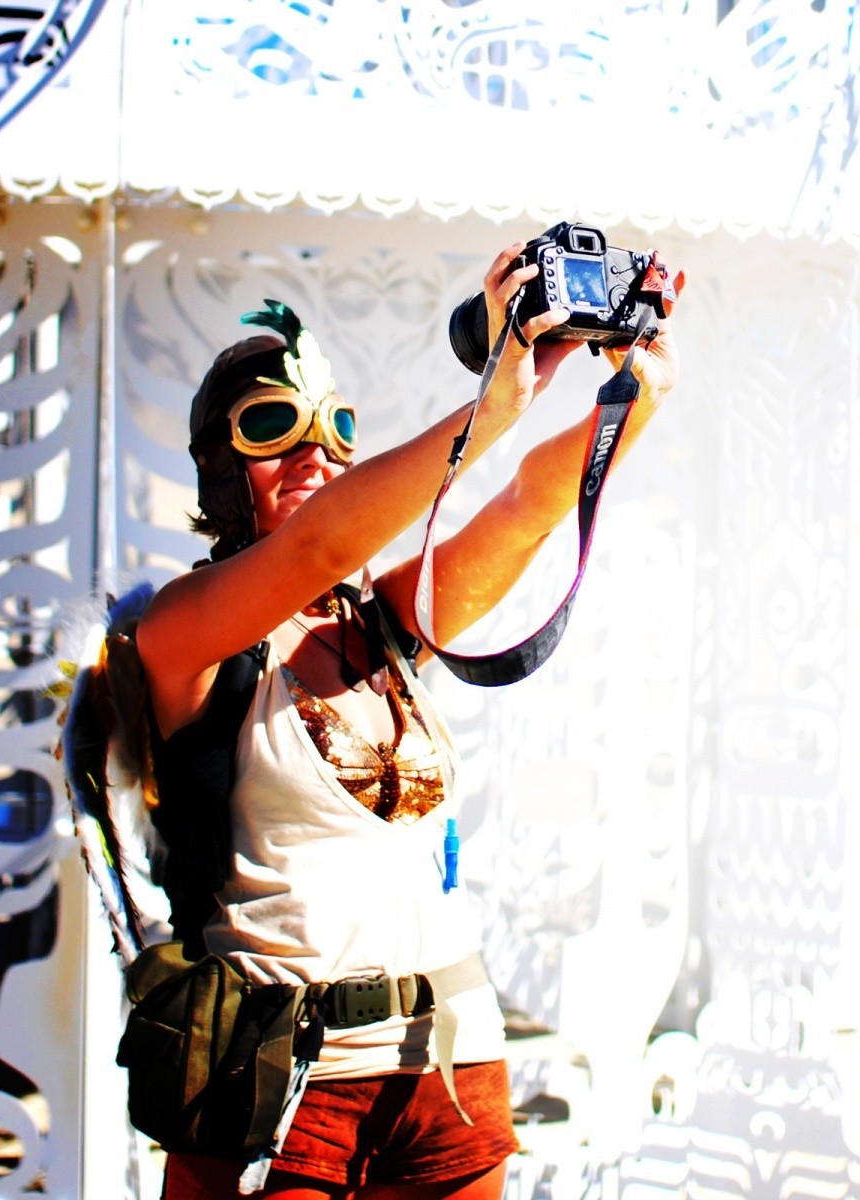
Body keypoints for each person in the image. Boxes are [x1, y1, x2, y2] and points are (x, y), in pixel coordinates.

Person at [132, 241, 682, 1200]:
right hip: (282, 1078)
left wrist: (634, 395)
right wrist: (494, 405)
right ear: (223, 467)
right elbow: (323, 537)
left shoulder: (379, 623)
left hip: (450, 1063)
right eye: (273, 427)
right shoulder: (183, 633)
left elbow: (523, 509)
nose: (313, 452)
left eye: (334, 428)